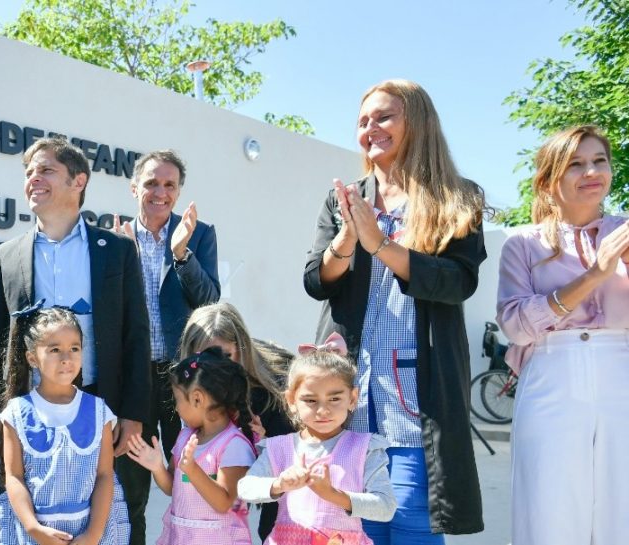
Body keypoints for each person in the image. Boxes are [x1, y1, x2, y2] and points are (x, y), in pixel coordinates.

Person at [303, 79, 486, 542]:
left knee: (410, 525)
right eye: (363, 121)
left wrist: (380, 245)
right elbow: (314, 281)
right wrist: (347, 240)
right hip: (349, 403)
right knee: (346, 531)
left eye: (384, 117)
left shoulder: (457, 198)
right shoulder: (344, 197)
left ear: (418, 122)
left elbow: (458, 281)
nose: (371, 128)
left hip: (414, 405)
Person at [0, 137, 152, 541]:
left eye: (46, 170)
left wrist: (133, 412)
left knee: (118, 514)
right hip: (27, 413)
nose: (33, 178)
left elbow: (135, 335)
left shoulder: (117, 251)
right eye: (29, 173)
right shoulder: (9, 255)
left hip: (101, 406)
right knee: (30, 519)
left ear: (79, 181)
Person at [496, 125, 629, 545]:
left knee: (621, 508)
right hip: (552, 374)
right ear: (550, 179)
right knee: (548, 509)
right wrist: (596, 274)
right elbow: (515, 326)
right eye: (575, 163)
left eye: (599, 161)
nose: (591, 171)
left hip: (621, 369)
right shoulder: (522, 244)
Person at [112, 149, 220, 464]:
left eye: (170, 185)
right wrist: (124, 260)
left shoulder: (199, 234)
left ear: (178, 192)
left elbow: (209, 302)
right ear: (134, 189)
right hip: (132, 376)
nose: (160, 193)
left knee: (187, 471)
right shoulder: (117, 239)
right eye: (151, 183)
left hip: (183, 374)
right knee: (130, 475)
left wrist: (182, 254)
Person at [238, 334, 396, 545]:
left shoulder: (364, 449)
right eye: (311, 400)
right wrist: (279, 484)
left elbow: (386, 507)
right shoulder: (280, 448)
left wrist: (332, 494)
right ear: (292, 400)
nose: (323, 410)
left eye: (334, 399)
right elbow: (245, 488)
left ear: (352, 398)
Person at [0, 305, 130, 545]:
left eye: (74, 348)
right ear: (32, 358)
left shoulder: (99, 412)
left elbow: (105, 475)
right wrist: (33, 528)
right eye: (55, 349)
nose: (67, 358)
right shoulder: (15, 414)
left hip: (89, 533)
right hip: (37, 536)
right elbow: (14, 477)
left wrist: (92, 535)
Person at [175, 302, 294, 540]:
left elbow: (289, 459)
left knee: (273, 530)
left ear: (242, 349)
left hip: (287, 492)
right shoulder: (189, 387)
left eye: (225, 355)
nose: (215, 366)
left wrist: (264, 443)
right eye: (204, 357)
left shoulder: (276, 386)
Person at [126, 347, 256, 545]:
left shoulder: (234, 445)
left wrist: (193, 470)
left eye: (177, 399)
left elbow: (223, 502)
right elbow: (172, 487)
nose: (176, 407)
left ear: (197, 398)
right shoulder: (186, 436)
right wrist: (157, 467)